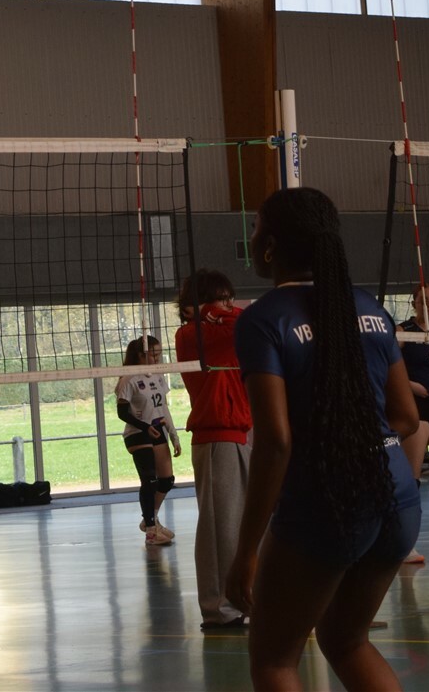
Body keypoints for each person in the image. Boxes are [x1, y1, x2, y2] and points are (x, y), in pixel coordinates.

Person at [227, 187, 423, 692]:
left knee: (274, 660)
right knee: (346, 640)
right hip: (397, 496)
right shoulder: (370, 307)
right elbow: (406, 417)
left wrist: (246, 550)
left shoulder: (263, 320)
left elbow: (276, 441)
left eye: (255, 228)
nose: (253, 239)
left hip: (327, 502)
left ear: (271, 246)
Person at [176, 268, 252, 629]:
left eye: (228, 298)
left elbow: (249, 323)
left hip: (247, 430)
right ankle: (220, 609)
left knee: (250, 524)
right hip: (217, 435)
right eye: (218, 299)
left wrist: (215, 310)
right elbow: (241, 322)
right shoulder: (190, 335)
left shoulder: (224, 329)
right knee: (221, 526)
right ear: (194, 306)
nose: (226, 305)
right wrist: (211, 312)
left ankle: (250, 598)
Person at [115, 335, 181, 546]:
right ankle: (151, 531)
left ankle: (150, 519)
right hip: (138, 432)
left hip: (157, 429)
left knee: (166, 480)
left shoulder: (158, 376)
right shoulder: (128, 378)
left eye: (159, 354)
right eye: (153, 354)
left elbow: (164, 409)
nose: (157, 358)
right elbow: (122, 412)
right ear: (140, 355)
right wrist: (145, 426)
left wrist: (174, 435)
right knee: (149, 481)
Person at [397, 282, 429, 564]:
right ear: (414, 303)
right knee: (413, 479)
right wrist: (411, 387)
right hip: (416, 408)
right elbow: (389, 366)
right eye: (424, 300)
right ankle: (405, 543)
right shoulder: (403, 331)